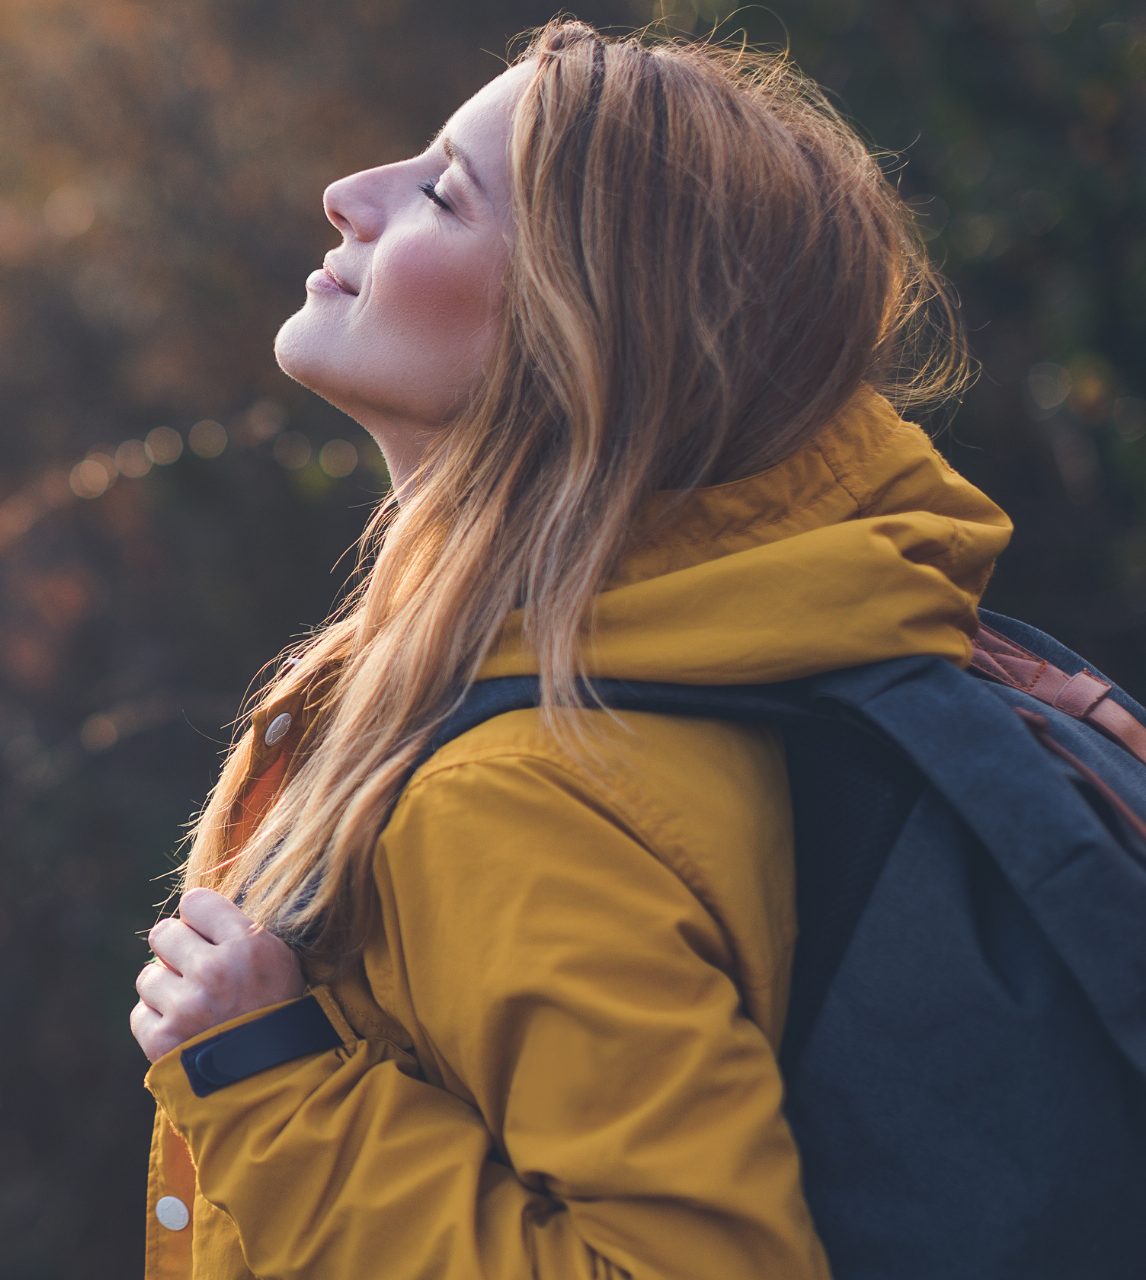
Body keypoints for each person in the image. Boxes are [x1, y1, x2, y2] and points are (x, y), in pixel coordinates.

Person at [130, 19, 996, 1279]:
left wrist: (274, 1090)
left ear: (576, 327)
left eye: (438, 190)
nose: (347, 195)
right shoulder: (702, 656)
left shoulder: (517, 791)